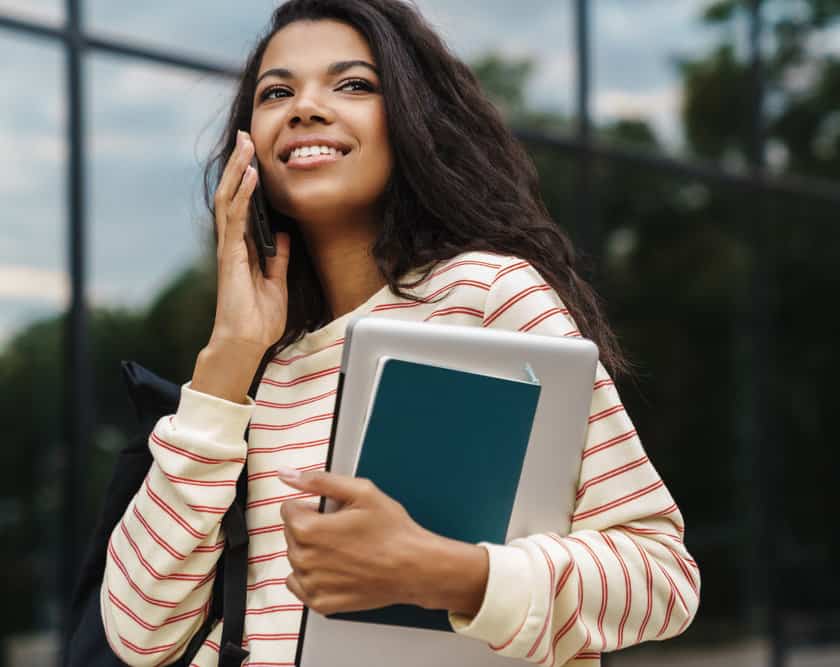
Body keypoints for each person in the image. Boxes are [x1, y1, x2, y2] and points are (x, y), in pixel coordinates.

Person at [98, 1, 701, 665]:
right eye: (277, 93)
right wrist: (230, 356)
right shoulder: (251, 367)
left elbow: (660, 576)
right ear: (248, 147)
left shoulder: (487, 297)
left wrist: (448, 573)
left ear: (409, 120)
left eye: (353, 84)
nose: (305, 107)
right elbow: (139, 632)